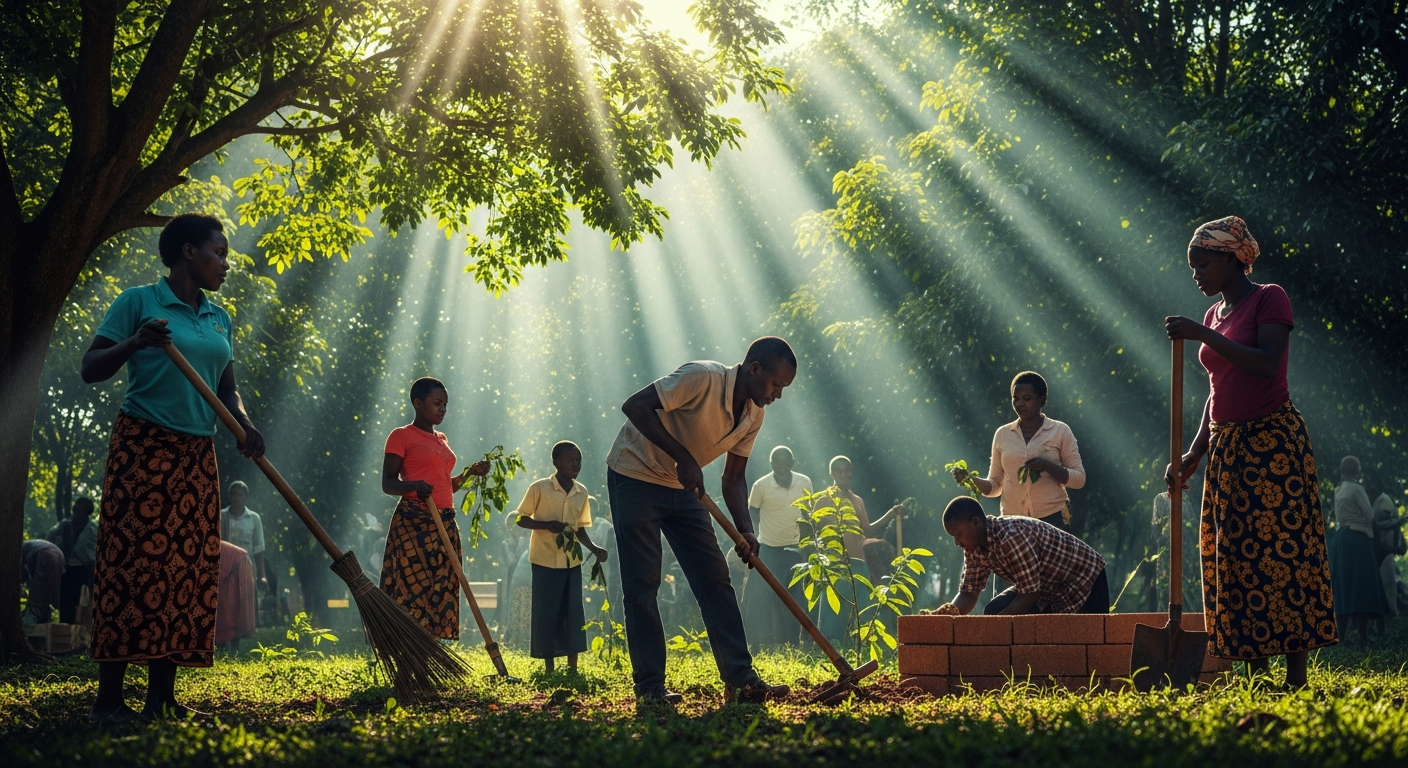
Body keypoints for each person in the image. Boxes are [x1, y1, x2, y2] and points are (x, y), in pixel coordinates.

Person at [79, 214, 265, 720]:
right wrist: (135, 342)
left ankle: (161, 698)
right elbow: (90, 368)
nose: (226, 264)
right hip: (143, 448)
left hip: (196, 455)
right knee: (131, 564)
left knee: (186, 569)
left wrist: (243, 424)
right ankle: (109, 699)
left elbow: (228, 390)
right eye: (219, 253)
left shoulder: (219, 318)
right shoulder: (139, 302)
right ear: (188, 252)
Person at [1165, 215, 1336, 688]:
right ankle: (1255, 671)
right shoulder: (1212, 316)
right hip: (1227, 447)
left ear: (1231, 258)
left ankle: (1296, 676)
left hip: (1273, 444)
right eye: (1192, 267)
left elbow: (1265, 364)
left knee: (1283, 554)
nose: (1196, 274)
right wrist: (1195, 452)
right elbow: (1217, 390)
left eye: (1203, 264)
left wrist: (1203, 337)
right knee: (1235, 558)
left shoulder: (1269, 298)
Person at [605, 336, 797, 707]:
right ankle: (650, 687)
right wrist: (682, 456)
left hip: (685, 487)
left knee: (715, 580)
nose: (777, 395)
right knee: (643, 584)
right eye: (776, 384)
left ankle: (740, 680)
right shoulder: (702, 378)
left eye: (783, 388)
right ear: (754, 369)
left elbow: (733, 478)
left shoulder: (754, 414)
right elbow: (635, 406)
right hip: (635, 475)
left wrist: (745, 529)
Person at [379, 377, 489, 639]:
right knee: (412, 589)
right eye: (436, 403)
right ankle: (408, 647)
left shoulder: (441, 439)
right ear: (418, 404)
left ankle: (429, 648)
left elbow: (444, 486)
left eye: (445, 405)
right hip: (414, 522)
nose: (442, 409)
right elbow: (388, 484)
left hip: (445, 523)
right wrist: (414, 485)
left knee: (442, 587)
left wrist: (469, 473)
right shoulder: (401, 436)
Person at [949, 371, 1086, 533]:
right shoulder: (1003, 434)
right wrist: (970, 479)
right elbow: (995, 486)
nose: (1020, 404)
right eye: (1016, 398)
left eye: (1026, 399)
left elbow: (1079, 479)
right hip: (1012, 522)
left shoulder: (1060, 431)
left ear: (1041, 399)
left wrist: (1047, 466)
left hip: (1053, 519)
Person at [515, 441, 606, 673]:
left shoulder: (581, 492)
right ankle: (549, 667)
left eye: (578, 461)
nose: (575, 465)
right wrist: (546, 525)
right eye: (569, 460)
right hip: (543, 561)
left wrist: (595, 548)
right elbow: (520, 519)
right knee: (547, 611)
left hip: (570, 562)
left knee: (573, 612)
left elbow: (580, 529)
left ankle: (573, 666)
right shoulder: (539, 488)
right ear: (556, 463)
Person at [934, 496, 1108, 616]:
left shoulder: (1011, 536)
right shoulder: (974, 548)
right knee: (993, 611)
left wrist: (994, 626)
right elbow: (968, 594)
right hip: (1047, 588)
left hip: (1085, 579)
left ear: (975, 522)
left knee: (1091, 645)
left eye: (958, 535)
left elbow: (1030, 594)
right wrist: (945, 616)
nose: (957, 542)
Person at [817, 455, 902, 639]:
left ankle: (864, 642)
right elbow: (819, 530)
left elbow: (867, 530)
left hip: (858, 560)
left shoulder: (857, 500)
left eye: (847, 470)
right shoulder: (824, 499)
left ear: (851, 473)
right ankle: (831, 645)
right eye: (839, 470)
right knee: (834, 608)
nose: (843, 473)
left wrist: (890, 514)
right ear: (831, 473)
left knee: (865, 605)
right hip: (836, 562)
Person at [742, 446, 813, 647]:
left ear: (792, 463)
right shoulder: (761, 485)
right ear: (771, 463)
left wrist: (807, 547)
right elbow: (751, 513)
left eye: (785, 462)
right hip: (768, 549)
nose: (780, 466)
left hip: (795, 549)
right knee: (759, 597)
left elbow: (808, 515)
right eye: (776, 462)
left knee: (795, 598)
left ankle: (794, 642)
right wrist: (758, 536)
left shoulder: (804, 482)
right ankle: (757, 643)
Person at [1329, 456, 1390, 644]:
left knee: (1344, 586)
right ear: (1357, 470)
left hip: (1341, 538)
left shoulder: (1339, 490)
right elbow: (1370, 515)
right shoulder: (1357, 488)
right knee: (1361, 585)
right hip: (1357, 538)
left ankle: (1342, 636)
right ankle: (1363, 636)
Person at [44, 497, 98, 623]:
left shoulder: (93, 530)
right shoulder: (63, 527)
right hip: (66, 571)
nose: (77, 513)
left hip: (85, 572)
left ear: (87, 513)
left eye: (81, 510)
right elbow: (49, 541)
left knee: (84, 606)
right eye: (76, 510)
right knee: (66, 604)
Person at [220, 481, 268, 594]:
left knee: (247, 607)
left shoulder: (254, 518)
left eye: (240, 494)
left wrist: (262, 576)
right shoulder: (221, 517)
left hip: (247, 570)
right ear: (229, 497)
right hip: (225, 572)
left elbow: (258, 549)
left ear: (245, 497)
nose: (237, 497)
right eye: (234, 494)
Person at [214, 541, 257, 653]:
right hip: (238, 561)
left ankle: (230, 647)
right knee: (225, 606)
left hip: (238, 563)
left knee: (232, 606)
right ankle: (225, 647)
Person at [1373, 492, 1406, 624]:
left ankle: (1391, 612)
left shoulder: (1392, 527)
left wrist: (1397, 526)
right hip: (1375, 563)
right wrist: (1397, 522)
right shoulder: (1375, 528)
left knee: (1390, 584)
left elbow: (1402, 549)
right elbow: (1380, 525)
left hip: (1387, 560)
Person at [21, 539, 64, 625]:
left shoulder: (18, 551)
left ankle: (31, 625)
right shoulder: (28, 547)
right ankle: (44, 620)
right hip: (59, 555)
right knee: (46, 596)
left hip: (45, 555)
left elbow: (18, 576)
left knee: (37, 602)